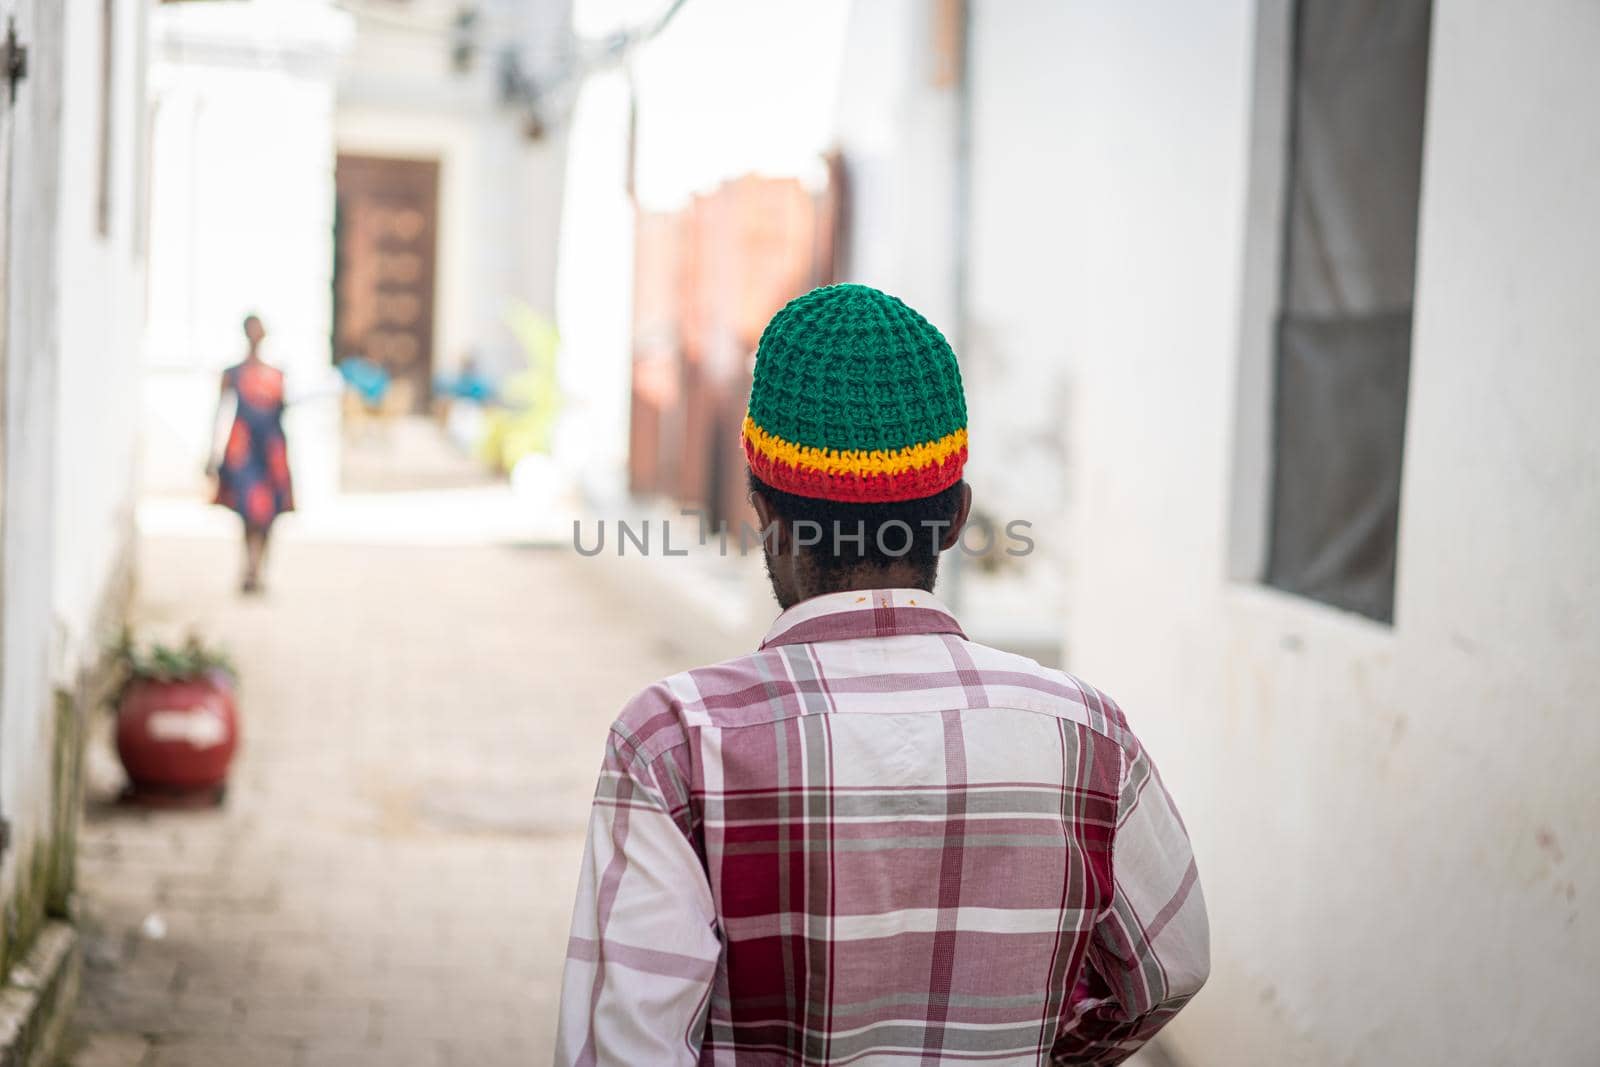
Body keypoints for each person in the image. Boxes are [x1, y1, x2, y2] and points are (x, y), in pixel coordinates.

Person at [556, 284, 1208, 1065]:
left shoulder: (674, 744)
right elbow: (1174, 965)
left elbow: (627, 1047)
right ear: (958, 514)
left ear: (761, 506)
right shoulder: (1087, 736)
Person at [208, 315, 294, 594]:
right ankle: (249, 567)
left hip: (270, 450)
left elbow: (283, 412)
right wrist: (213, 452)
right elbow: (220, 412)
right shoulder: (233, 373)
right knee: (247, 509)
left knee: (268, 513)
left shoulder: (276, 374)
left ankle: (258, 570)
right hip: (244, 449)